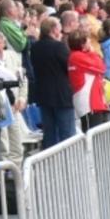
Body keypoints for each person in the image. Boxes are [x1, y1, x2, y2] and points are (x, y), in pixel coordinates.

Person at [30, 17, 76, 149]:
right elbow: (69, 67)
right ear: (54, 29)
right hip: (61, 95)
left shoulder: (35, 47)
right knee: (67, 134)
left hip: (44, 95)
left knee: (50, 134)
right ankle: (68, 160)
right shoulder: (59, 46)